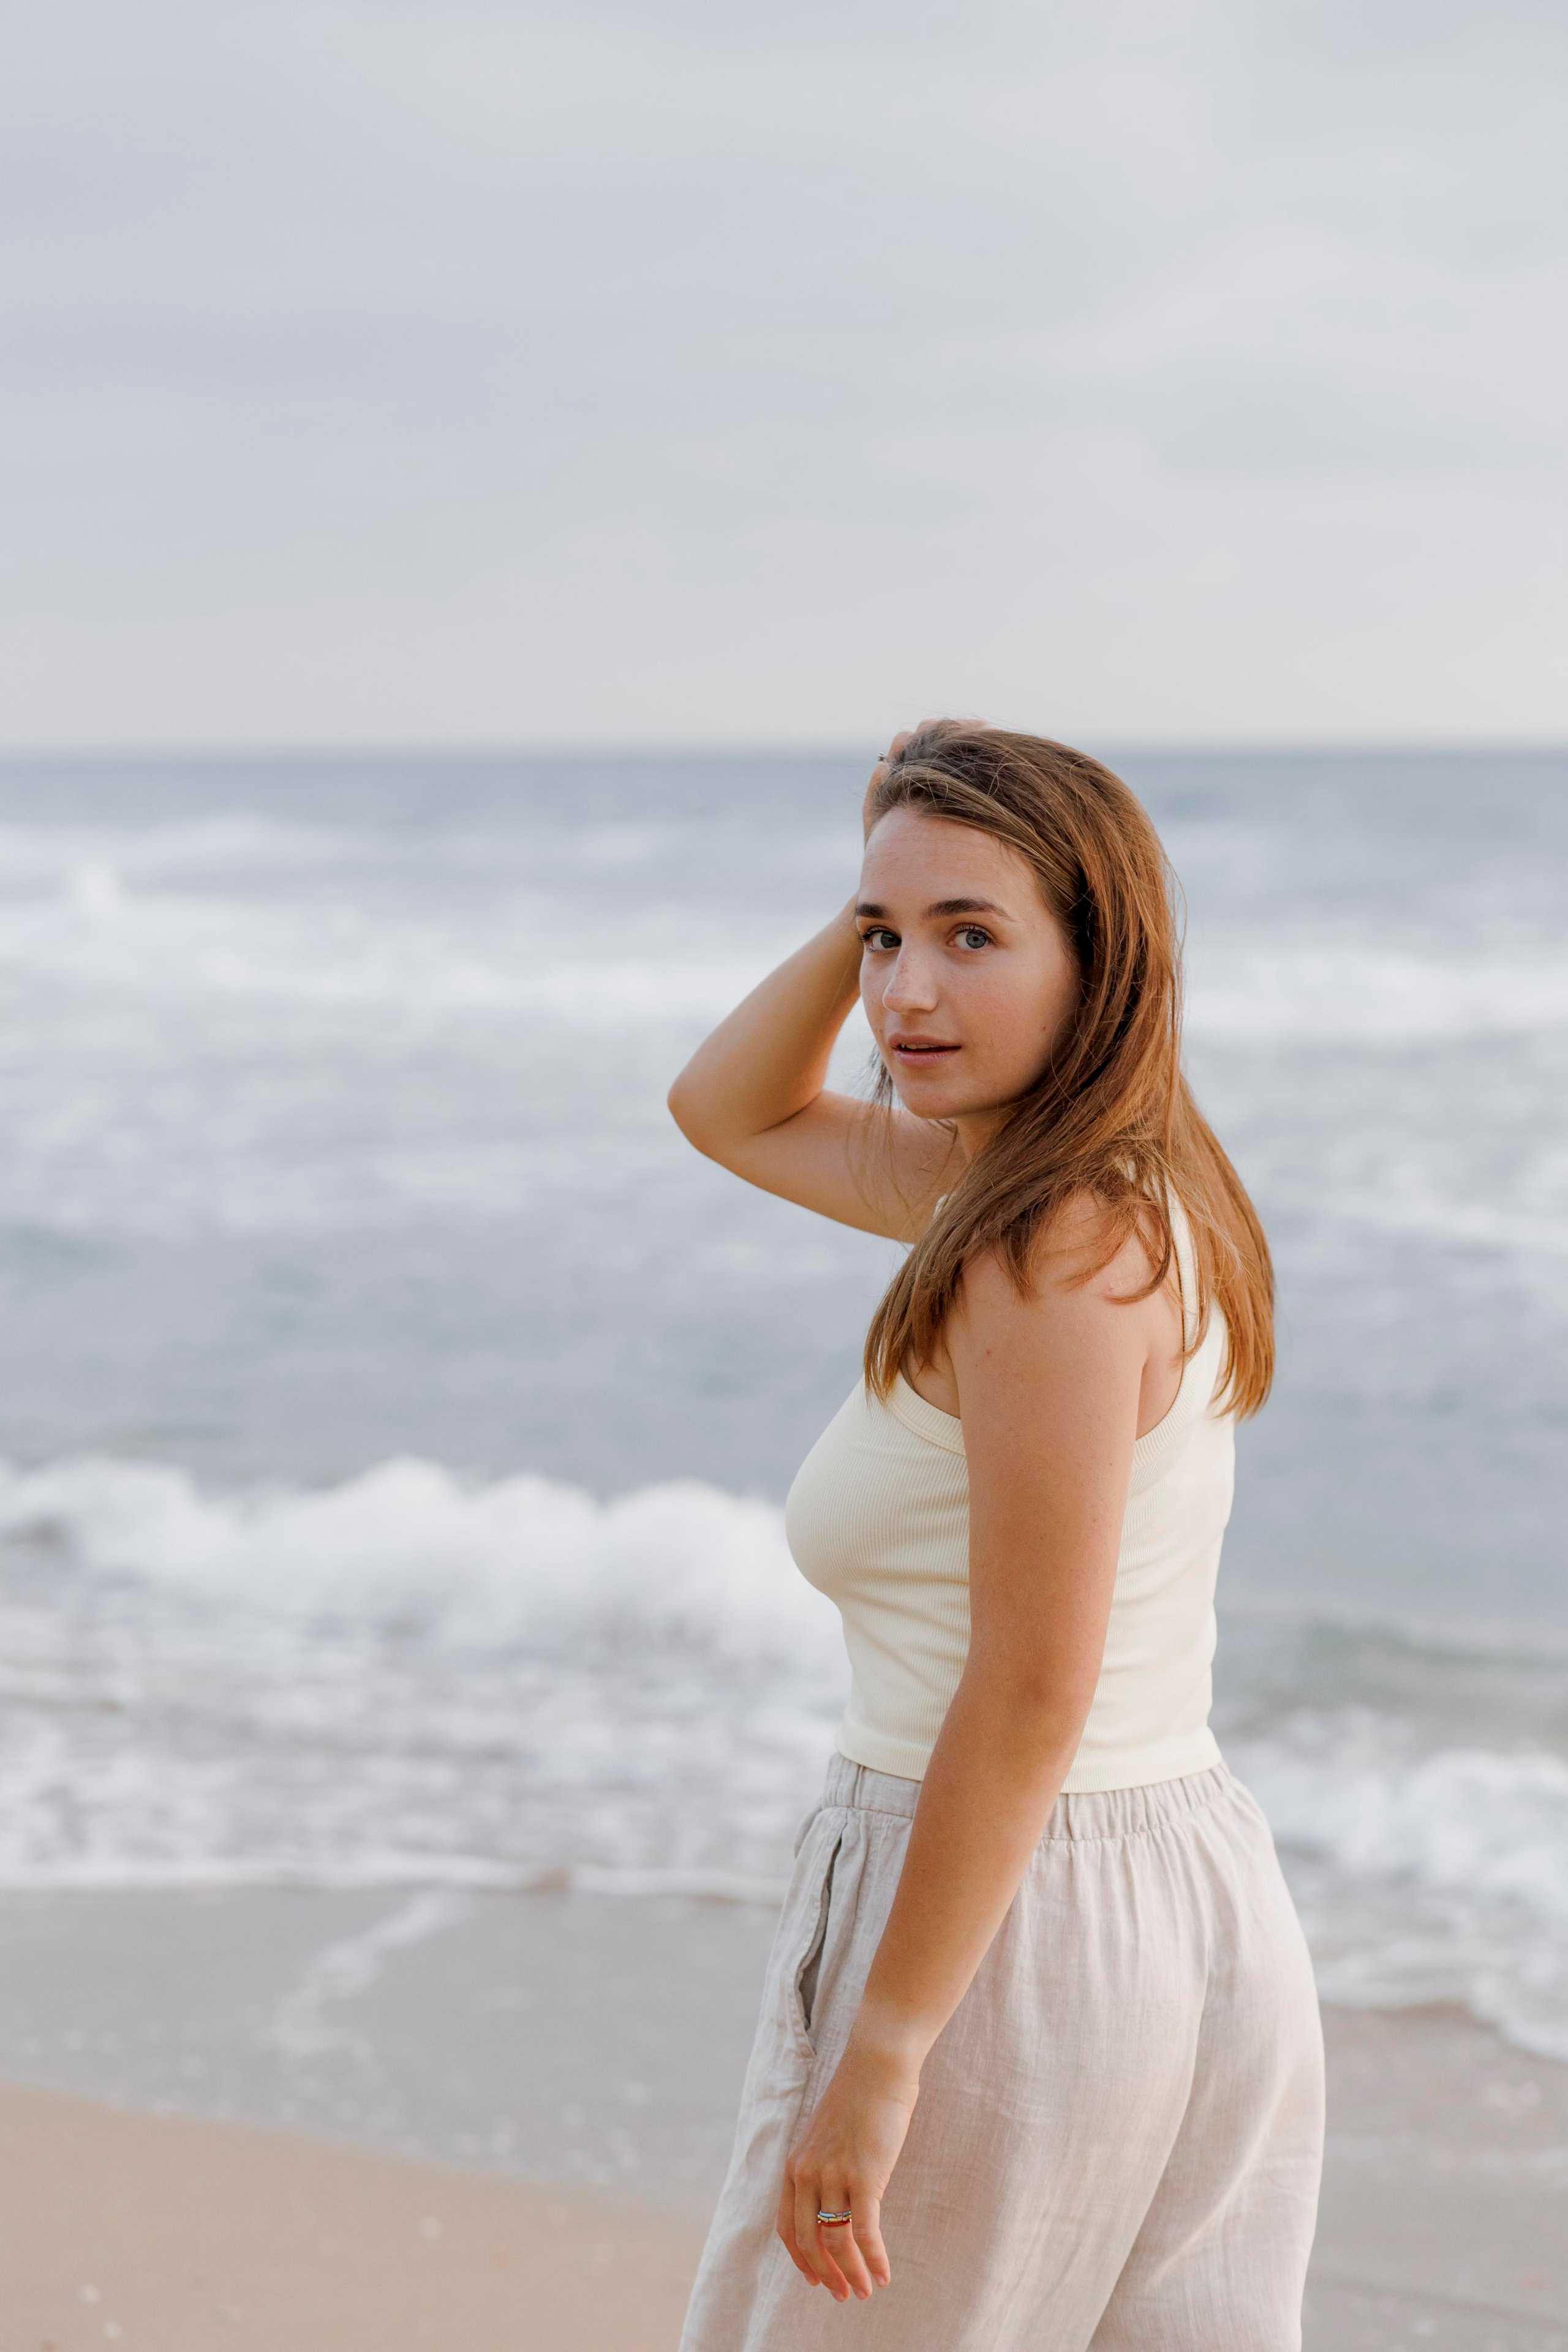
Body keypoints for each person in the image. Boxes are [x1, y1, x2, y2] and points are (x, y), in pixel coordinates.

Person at [667, 723, 1324, 2351]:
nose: (905, 997)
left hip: (997, 1924)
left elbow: (1032, 1685)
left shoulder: (1042, 1245)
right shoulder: (1129, 1185)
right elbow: (727, 1110)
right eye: (884, 941)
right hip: (1185, 1892)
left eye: (975, 936)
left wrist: (887, 2042)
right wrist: (894, 871)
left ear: (1102, 960)